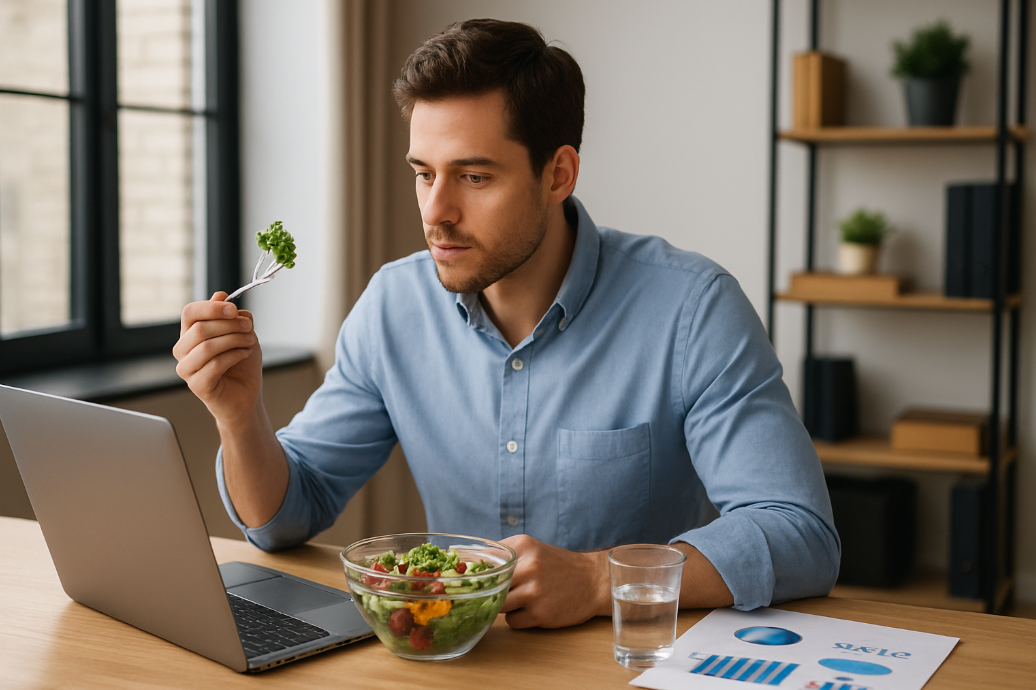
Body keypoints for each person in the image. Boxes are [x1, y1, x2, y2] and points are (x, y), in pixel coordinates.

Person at [174, 18, 839, 630]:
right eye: (423, 174)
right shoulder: (393, 307)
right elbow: (288, 515)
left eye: (473, 176)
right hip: (452, 657)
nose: (437, 212)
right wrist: (240, 418)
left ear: (558, 173)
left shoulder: (692, 309)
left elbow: (798, 531)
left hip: (624, 663)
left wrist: (596, 578)